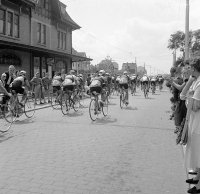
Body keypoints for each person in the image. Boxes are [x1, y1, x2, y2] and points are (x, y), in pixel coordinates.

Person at [180, 58, 200, 194]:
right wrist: (191, 83)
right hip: (194, 122)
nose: (189, 70)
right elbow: (183, 97)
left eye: (190, 68)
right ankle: (198, 178)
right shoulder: (195, 82)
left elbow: (194, 106)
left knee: (198, 153)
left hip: (198, 122)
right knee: (197, 153)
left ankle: (199, 186)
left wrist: (190, 99)